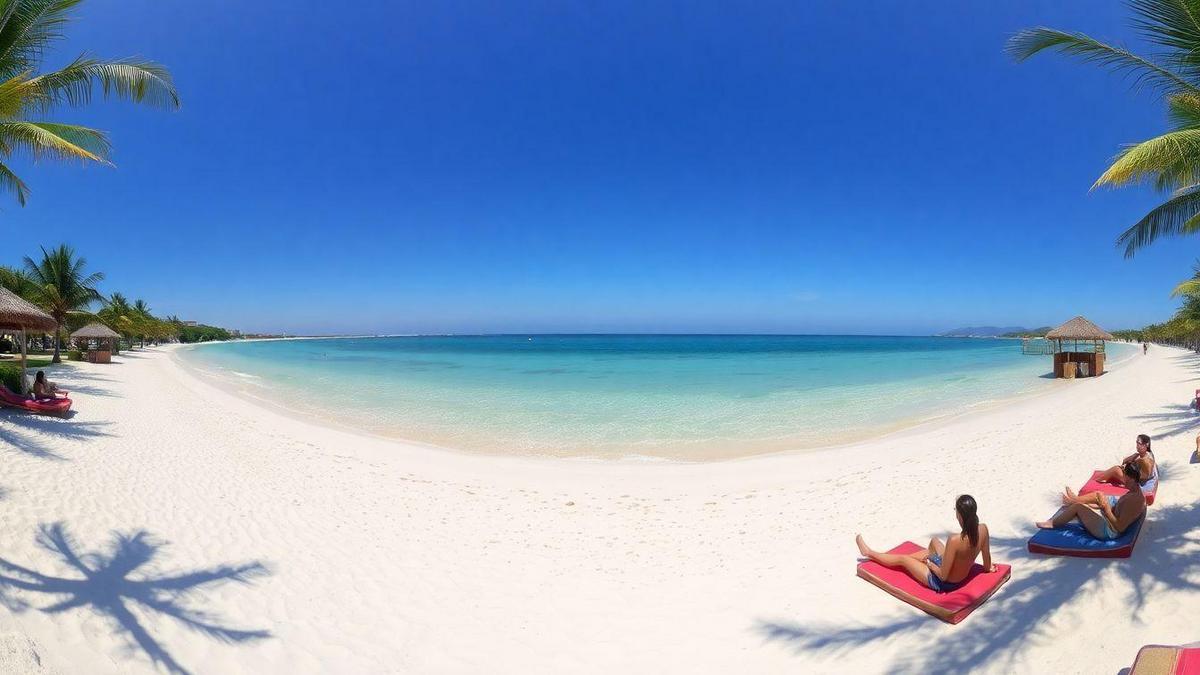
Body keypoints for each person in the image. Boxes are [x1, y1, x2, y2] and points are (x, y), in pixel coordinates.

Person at [856, 495, 994, 593]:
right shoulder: (983, 529)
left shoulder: (955, 541)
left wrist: (930, 564)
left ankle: (868, 552)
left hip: (945, 583)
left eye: (955, 511)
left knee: (903, 559)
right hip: (958, 575)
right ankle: (912, 562)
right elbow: (987, 566)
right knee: (934, 542)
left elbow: (943, 576)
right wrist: (991, 568)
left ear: (959, 516)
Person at [1036, 461, 1146, 540]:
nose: (1122, 477)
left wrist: (1106, 510)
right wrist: (1099, 506)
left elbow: (1120, 528)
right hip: (1113, 516)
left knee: (1078, 507)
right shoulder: (1134, 490)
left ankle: (1053, 523)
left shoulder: (1133, 500)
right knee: (1099, 495)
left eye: (1124, 475)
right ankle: (1073, 500)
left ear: (1131, 478)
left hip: (1110, 531)